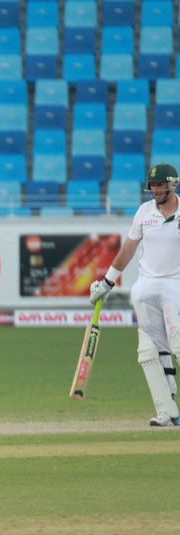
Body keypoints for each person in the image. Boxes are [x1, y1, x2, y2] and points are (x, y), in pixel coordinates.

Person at [90, 163, 180, 427]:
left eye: (160, 184)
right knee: (150, 351)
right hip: (146, 286)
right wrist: (107, 283)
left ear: (172, 184)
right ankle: (168, 410)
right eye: (152, 185)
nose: (155, 190)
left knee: (177, 346)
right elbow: (128, 249)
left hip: (176, 285)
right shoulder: (144, 212)